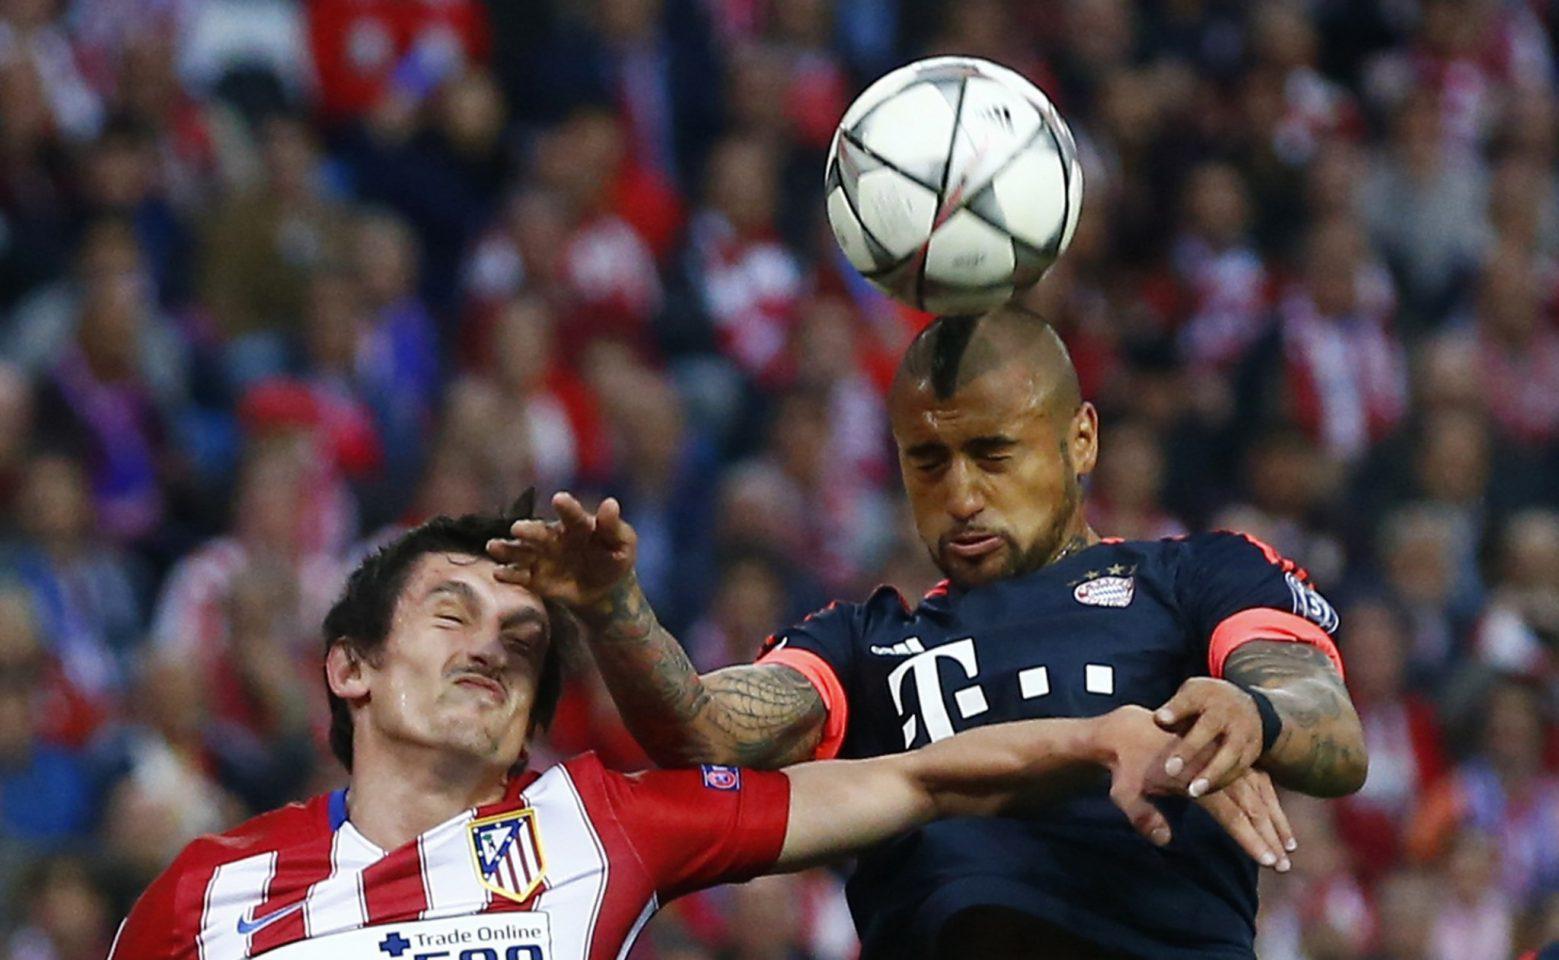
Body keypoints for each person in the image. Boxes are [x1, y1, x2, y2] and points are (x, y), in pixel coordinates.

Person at [489, 307, 1370, 959]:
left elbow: (1328, 727)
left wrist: (1254, 714)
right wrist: (612, 607)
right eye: (928, 461)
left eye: (993, 455)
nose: (960, 494)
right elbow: (700, 730)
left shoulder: (1195, 578)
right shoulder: (864, 641)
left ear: (1081, 439)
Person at [108, 494, 1292, 960]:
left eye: (523, 641)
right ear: (350, 669)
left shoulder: (604, 823)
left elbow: (917, 783)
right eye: (452, 613)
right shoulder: (206, 891)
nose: (490, 647)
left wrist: (1099, 738)